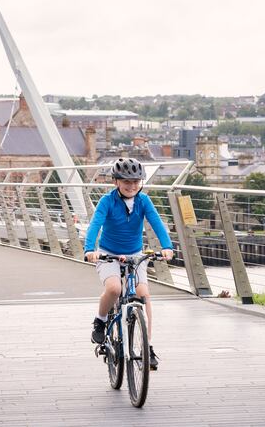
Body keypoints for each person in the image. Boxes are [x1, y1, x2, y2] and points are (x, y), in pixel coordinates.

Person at [84, 157, 174, 371]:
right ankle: (101, 319)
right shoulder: (107, 201)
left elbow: (156, 223)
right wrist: (90, 249)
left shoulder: (144, 201)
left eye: (136, 182)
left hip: (134, 254)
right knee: (114, 288)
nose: (132, 186)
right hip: (108, 254)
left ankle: (148, 347)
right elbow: (95, 224)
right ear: (116, 182)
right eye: (126, 181)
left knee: (143, 294)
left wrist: (167, 246)